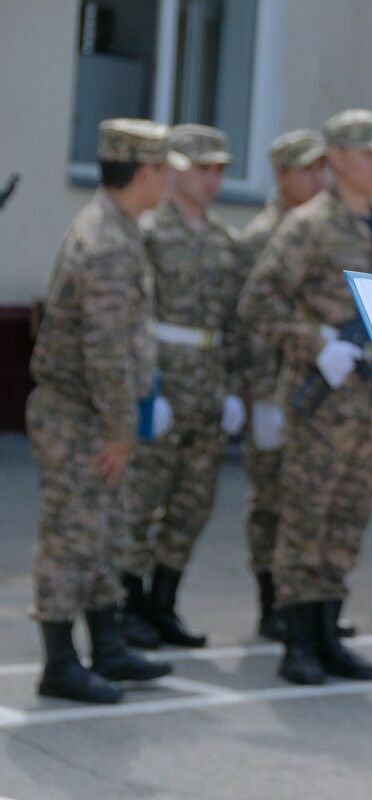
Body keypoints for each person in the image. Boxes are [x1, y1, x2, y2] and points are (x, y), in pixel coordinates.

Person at [239, 109, 372, 685]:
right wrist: (316, 344)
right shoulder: (308, 225)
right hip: (322, 405)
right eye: (367, 152)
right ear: (335, 158)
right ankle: (298, 641)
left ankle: (328, 630)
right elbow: (258, 303)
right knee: (304, 521)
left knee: (348, 521)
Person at [27, 118, 179, 702]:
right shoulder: (109, 241)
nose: (166, 181)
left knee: (101, 531)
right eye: (164, 169)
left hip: (94, 411)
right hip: (80, 415)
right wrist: (122, 427)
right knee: (70, 534)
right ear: (146, 172)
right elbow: (106, 347)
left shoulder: (116, 228)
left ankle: (107, 646)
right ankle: (60, 663)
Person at [122, 124, 244, 650]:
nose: (213, 179)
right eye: (203, 167)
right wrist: (148, 389)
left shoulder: (224, 240)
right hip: (164, 383)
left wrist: (236, 389)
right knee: (141, 500)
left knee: (192, 504)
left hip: (208, 387)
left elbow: (234, 323)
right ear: (174, 169)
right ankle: (129, 607)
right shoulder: (148, 232)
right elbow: (132, 316)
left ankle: (163, 603)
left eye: (220, 170)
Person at [237, 128, 327, 641]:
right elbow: (249, 323)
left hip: (318, 392)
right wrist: (257, 398)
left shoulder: (320, 229)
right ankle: (270, 600)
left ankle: (309, 604)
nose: (317, 178)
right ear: (281, 175)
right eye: (306, 169)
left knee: (310, 503)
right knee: (271, 501)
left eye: (321, 168)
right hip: (273, 385)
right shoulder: (260, 236)